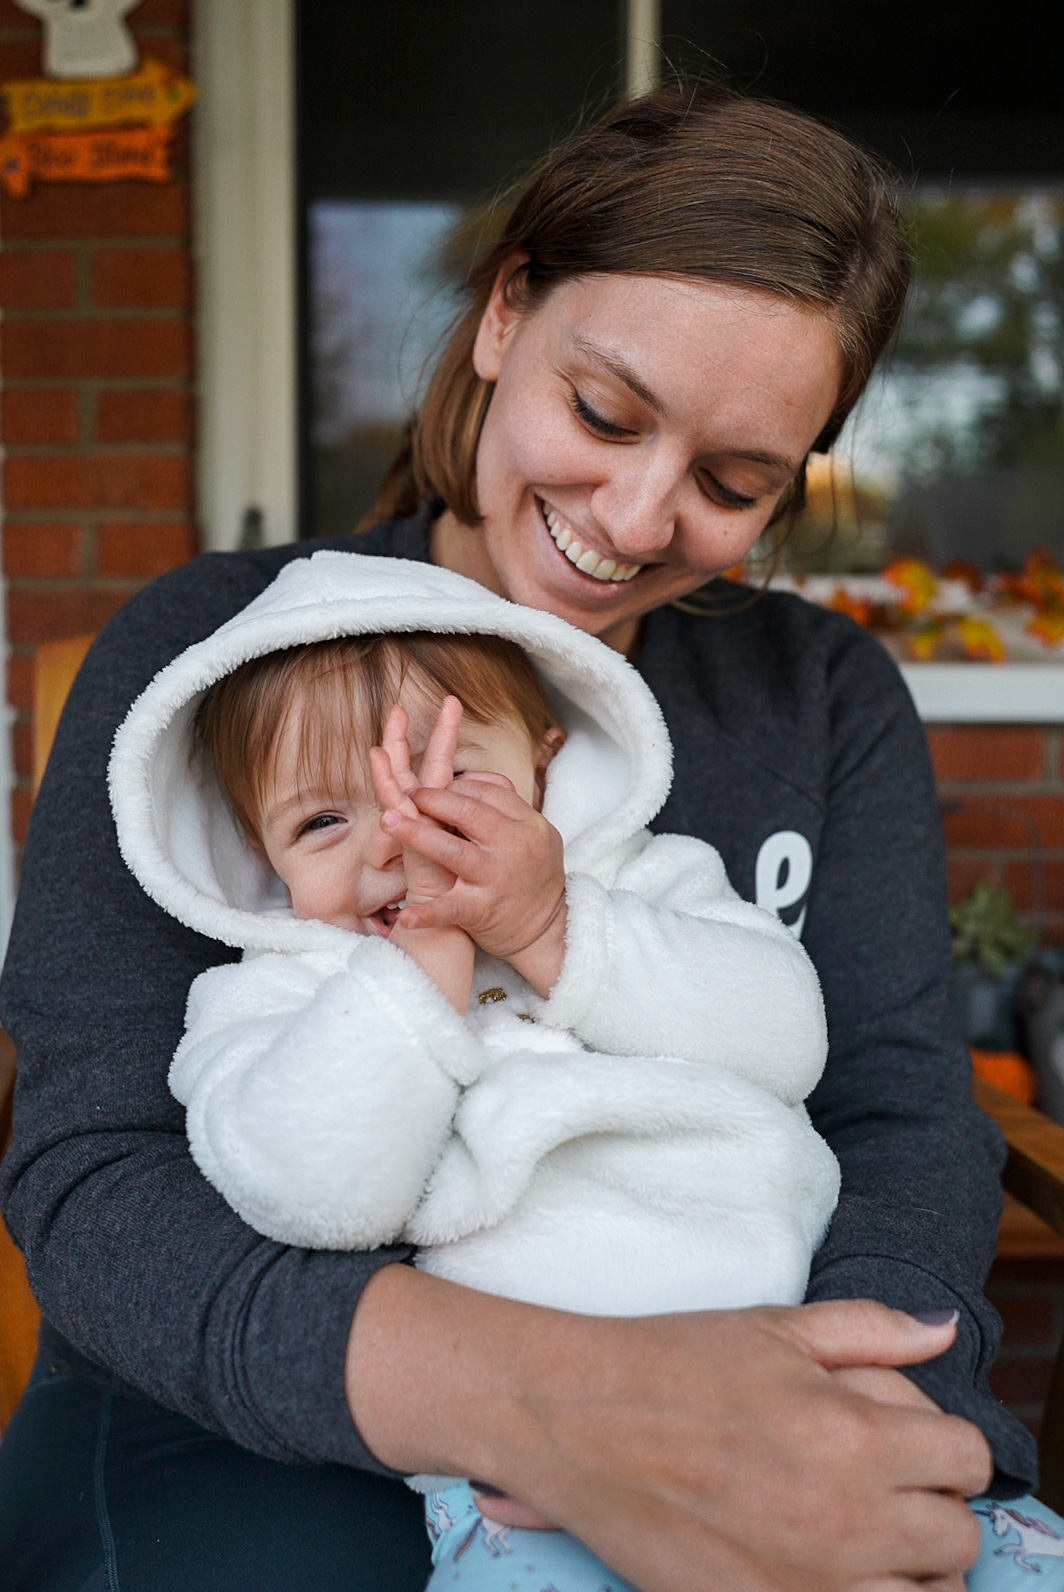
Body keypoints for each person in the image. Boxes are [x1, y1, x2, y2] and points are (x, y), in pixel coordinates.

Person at [0, 76, 1049, 1590]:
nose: (632, 519)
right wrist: (579, 1407)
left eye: (732, 482)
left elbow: (901, 1111)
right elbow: (96, 1175)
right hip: (260, 1401)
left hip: (767, 1353)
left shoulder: (817, 694)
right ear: (503, 316)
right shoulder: (222, 661)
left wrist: (847, 1388)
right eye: (604, 412)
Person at [107, 548, 840, 1589]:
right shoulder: (271, 995)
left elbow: (786, 1039)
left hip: (787, 1363)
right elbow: (310, 1192)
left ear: (545, 765)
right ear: (259, 852)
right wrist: (413, 980)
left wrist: (550, 927)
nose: (397, 842)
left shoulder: (649, 882)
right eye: (323, 821)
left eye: (449, 779)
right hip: (516, 1446)